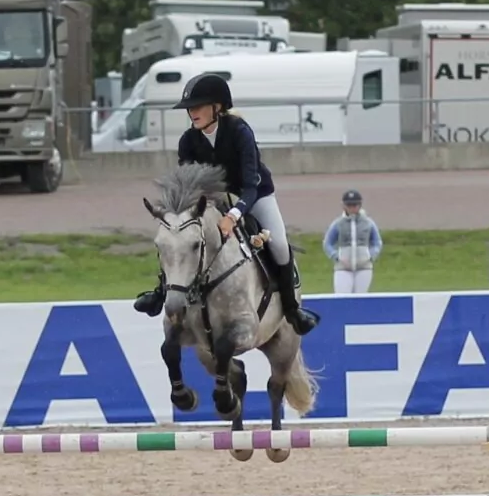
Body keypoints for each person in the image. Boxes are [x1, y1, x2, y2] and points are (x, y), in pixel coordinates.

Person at [133, 72, 319, 336]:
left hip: (254, 193)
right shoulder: (188, 140)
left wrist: (233, 215)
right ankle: (162, 292)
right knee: (180, 238)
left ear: (216, 107)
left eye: (197, 106)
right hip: (214, 198)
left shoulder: (239, 132)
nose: (191, 113)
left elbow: (250, 185)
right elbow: (188, 184)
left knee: (277, 244)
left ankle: (291, 309)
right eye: (189, 108)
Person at [323, 189, 382, 294]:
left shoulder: (368, 223)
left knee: (361, 298)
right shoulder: (338, 223)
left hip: (364, 267)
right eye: (349, 205)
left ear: (360, 205)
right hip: (343, 268)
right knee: (342, 296)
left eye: (355, 205)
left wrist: (370, 256)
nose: (352, 208)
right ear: (344, 206)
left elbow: (377, 242)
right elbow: (327, 243)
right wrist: (336, 257)